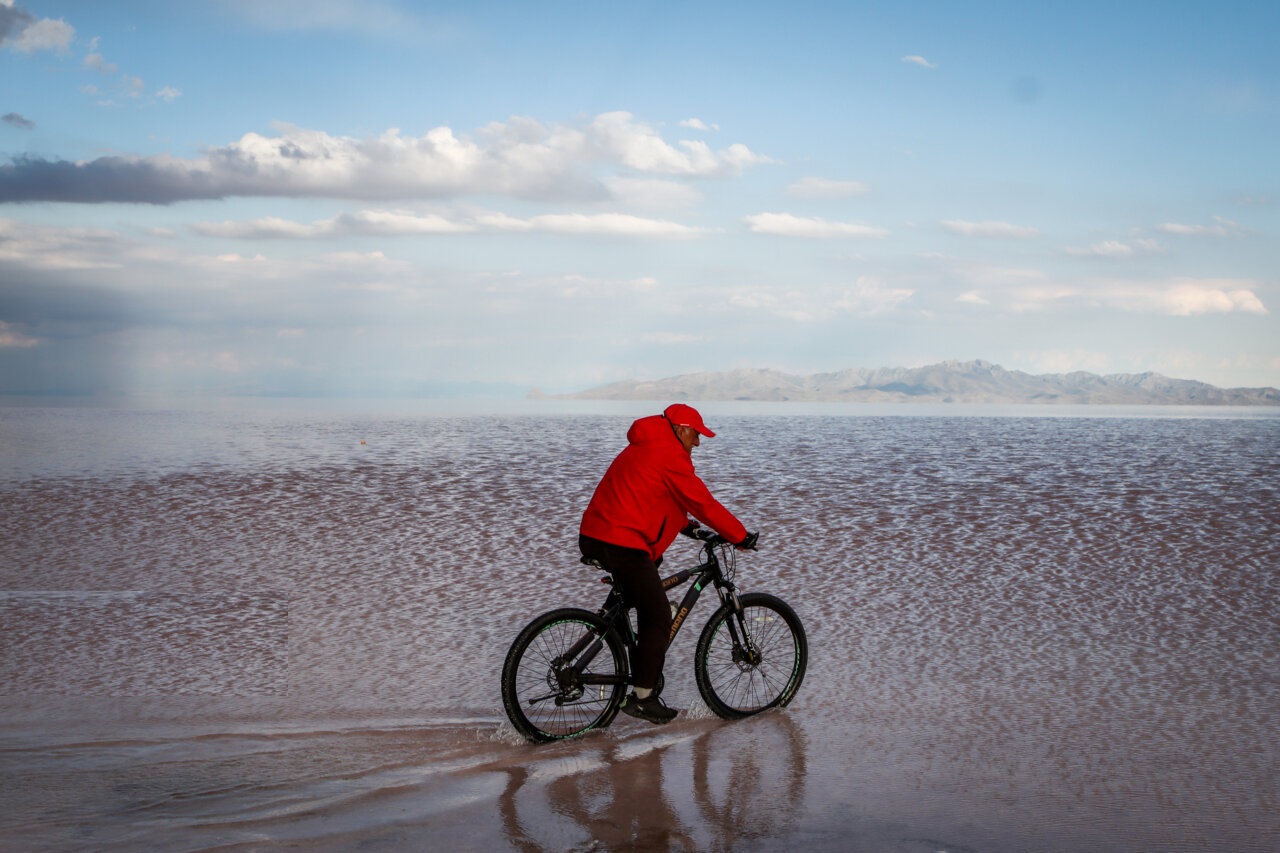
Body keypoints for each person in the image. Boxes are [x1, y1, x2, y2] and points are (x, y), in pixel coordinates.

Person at [579, 403, 758, 725]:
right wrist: (740, 536)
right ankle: (643, 697)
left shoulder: (646, 445)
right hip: (621, 543)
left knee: (647, 581)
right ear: (681, 428)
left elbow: (651, 495)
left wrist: (687, 526)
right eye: (696, 435)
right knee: (658, 614)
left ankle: (625, 647)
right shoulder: (669, 454)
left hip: (598, 535)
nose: (698, 443)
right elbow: (702, 501)